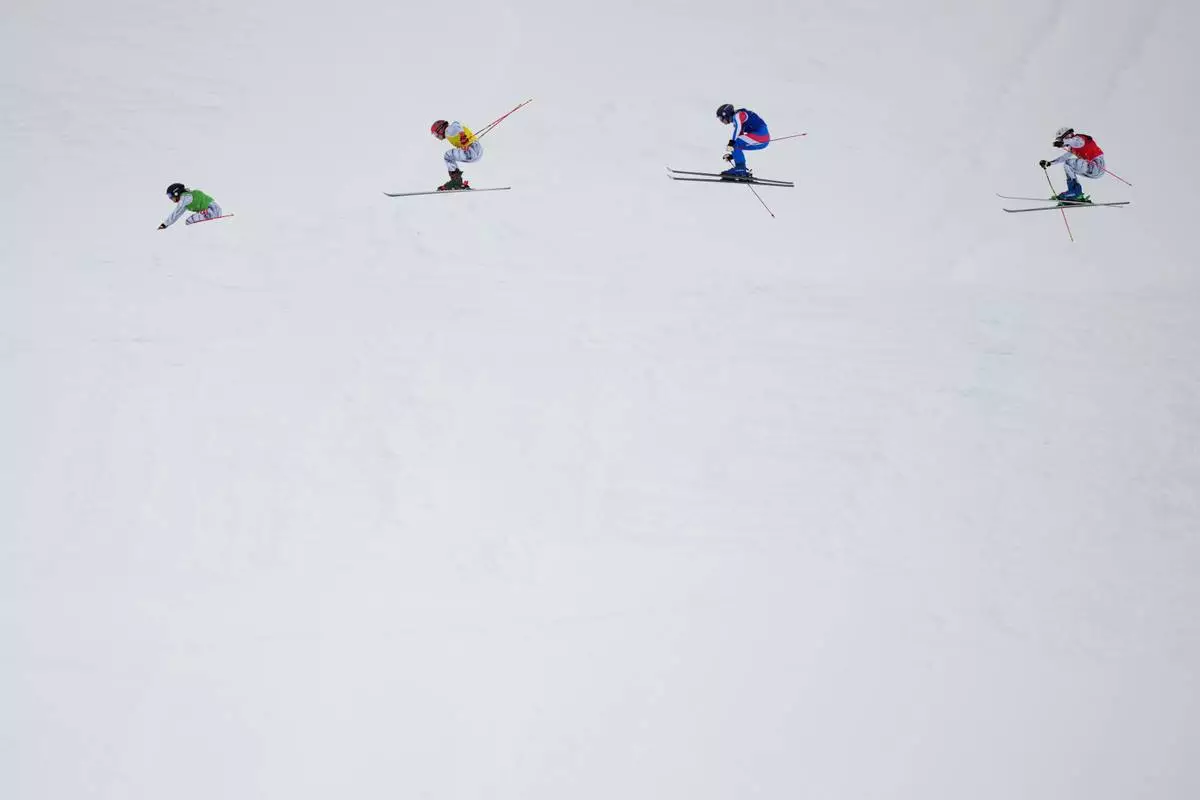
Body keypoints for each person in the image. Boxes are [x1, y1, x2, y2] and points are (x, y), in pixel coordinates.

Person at [1039, 127, 1106, 201]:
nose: (1062, 141)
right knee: (1068, 166)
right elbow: (1064, 157)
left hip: (1096, 165)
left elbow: (1074, 141)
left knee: (1068, 163)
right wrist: (1050, 163)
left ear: (1067, 135)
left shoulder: (1079, 139)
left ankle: (1076, 193)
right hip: (1092, 170)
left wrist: (1063, 143)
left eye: (1061, 139)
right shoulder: (1073, 147)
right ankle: (1075, 193)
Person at [717, 103, 770, 179]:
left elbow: (737, 130)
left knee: (735, 143)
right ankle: (740, 169)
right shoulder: (737, 119)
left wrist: (732, 142)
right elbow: (739, 142)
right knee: (736, 144)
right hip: (762, 139)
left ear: (726, 114)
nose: (721, 121)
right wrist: (734, 155)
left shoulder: (738, 115)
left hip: (761, 136)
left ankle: (740, 170)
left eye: (721, 118)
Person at [431, 119, 483, 190]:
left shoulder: (448, 130)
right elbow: (457, 124)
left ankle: (456, 182)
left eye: (436, 134)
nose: (437, 137)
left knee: (448, 156)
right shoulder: (449, 133)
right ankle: (457, 182)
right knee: (450, 157)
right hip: (476, 152)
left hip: (472, 150)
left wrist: (462, 136)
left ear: (440, 129)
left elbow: (456, 125)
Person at [158, 183, 222, 229]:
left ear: (176, 193)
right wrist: (166, 224)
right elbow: (178, 213)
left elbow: (176, 212)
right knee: (189, 221)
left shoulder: (185, 198)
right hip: (213, 210)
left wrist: (165, 224)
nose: (170, 198)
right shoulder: (185, 201)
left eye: (170, 195)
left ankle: (209, 214)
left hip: (213, 210)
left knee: (189, 221)